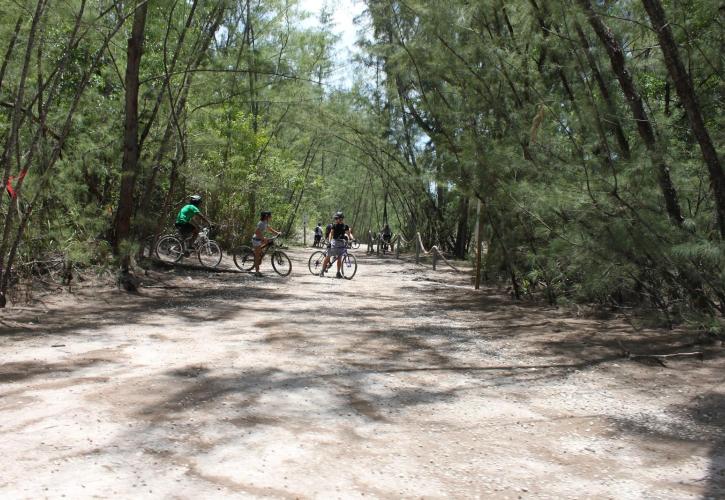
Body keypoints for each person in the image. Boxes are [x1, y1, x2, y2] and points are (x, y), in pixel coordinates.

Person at [321, 212, 354, 278]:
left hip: (341, 243)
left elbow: (348, 233)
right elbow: (331, 233)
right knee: (328, 256)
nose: (336, 220)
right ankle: (322, 271)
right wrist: (329, 242)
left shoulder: (345, 226)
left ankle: (338, 273)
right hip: (334, 242)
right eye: (335, 218)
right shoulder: (334, 225)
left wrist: (353, 239)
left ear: (341, 218)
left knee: (339, 258)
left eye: (337, 218)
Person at [252, 210, 281, 276]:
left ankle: (259, 252)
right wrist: (263, 238)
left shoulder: (265, 222)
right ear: (266, 216)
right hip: (256, 240)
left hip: (260, 239)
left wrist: (276, 233)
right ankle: (257, 272)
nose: (271, 216)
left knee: (269, 242)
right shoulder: (261, 223)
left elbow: (269, 228)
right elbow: (256, 232)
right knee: (257, 256)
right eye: (270, 215)